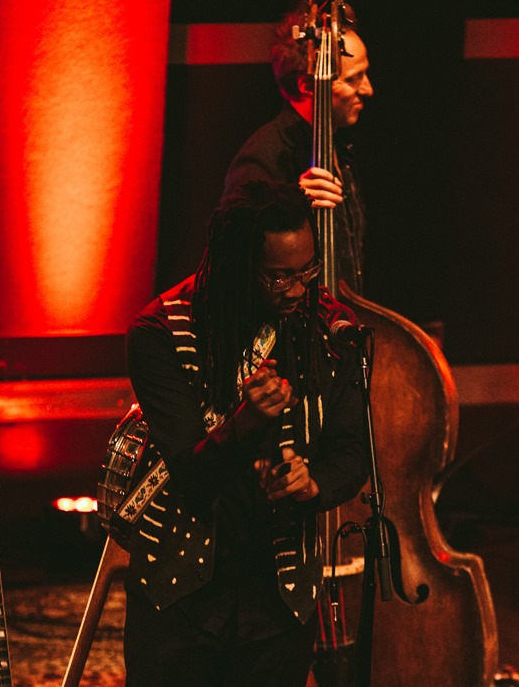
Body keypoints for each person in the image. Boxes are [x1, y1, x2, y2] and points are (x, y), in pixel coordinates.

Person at [123, 179, 370, 686]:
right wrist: (247, 422)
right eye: (278, 277)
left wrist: (314, 483)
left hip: (280, 595)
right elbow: (192, 476)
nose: (298, 290)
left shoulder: (329, 330)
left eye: (307, 271)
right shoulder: (161, 331)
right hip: (180, 595)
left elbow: (353, 448)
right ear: (237, 266)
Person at [224, 3, 374, 294]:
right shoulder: (263, 156)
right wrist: (288, 207)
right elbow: (233, 257)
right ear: (308, 85)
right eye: (353, 79)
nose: (368, 89)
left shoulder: (340, 146)